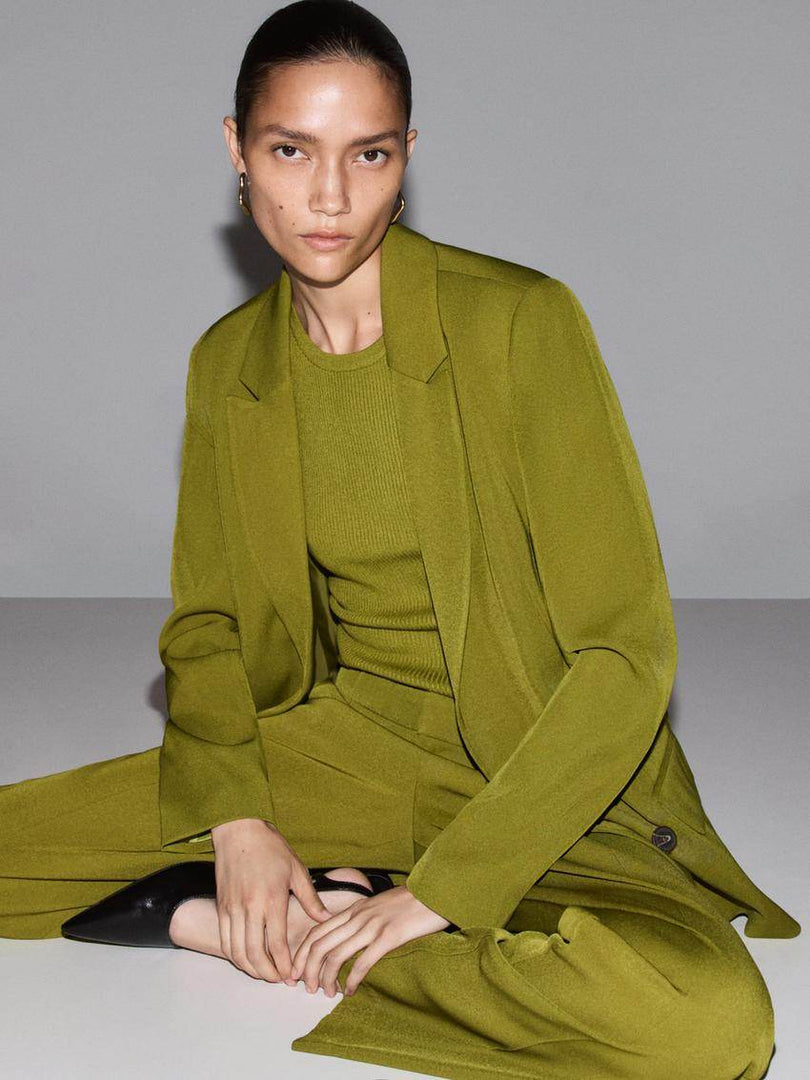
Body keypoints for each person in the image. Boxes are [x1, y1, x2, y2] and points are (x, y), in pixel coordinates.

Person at [1, 2, 800, 1077]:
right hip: (349, 750)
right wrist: (238, 823)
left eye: (367, 153)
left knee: (706, 1031)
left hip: (542, 769)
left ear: (406, 157)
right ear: (236, 149)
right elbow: (211, 625)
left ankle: (321, 931)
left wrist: (438, 895)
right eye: (291, 150)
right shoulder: (229, 367)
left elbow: (624, 656)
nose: (329, 197)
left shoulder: (521, 323)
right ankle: (253, 903)